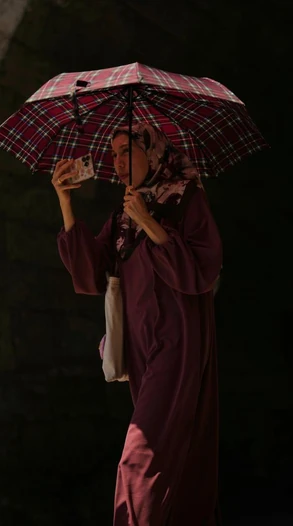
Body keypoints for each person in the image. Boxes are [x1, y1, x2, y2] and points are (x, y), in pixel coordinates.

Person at [53, 122, 223, 525]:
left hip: (178, 343)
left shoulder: (185, 198)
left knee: (140, 455)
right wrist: (65, 203)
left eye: (127, 150)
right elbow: (92, 275)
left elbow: (202, 271)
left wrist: (149, 221)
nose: (118, 162)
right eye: (113, 155)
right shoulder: (122, 215)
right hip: (142, 348)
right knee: (171, 454)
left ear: (155, 152)